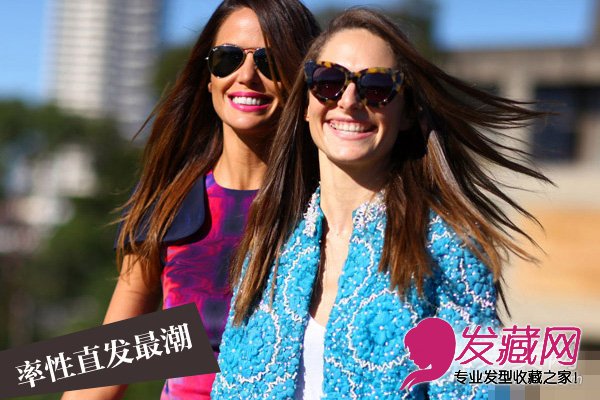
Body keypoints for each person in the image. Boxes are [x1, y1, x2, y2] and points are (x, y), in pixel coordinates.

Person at [212, 7, 551, 399]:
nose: (348, 100)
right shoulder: (269, 238)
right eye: (328, 81)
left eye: (376, 87)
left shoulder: (450, 247)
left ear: (406, 112)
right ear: (305, 102)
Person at [61, 1, 320, 399]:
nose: (246, 76)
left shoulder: (331, 208)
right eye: (227, 58)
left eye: (269, 62)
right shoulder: (169, 200)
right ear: (208, 77)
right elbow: (113, 356)